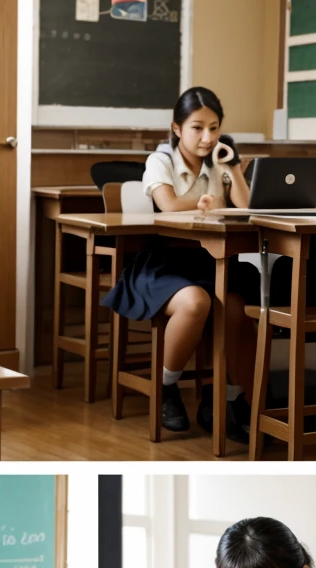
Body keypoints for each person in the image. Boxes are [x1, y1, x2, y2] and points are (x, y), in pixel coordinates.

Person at [102, 86, 256, 441]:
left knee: (237, 308)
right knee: (195, 302)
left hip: (210, 260)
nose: (207, 137)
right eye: (197, 127)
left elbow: (245, 206)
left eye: (214, 127)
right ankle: (167, 386)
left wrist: (233, 166)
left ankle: (229, 400)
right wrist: (202, 203)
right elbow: (168, 205)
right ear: (177, 128)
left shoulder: (220, 158)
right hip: (161, 263)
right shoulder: (160, 160)